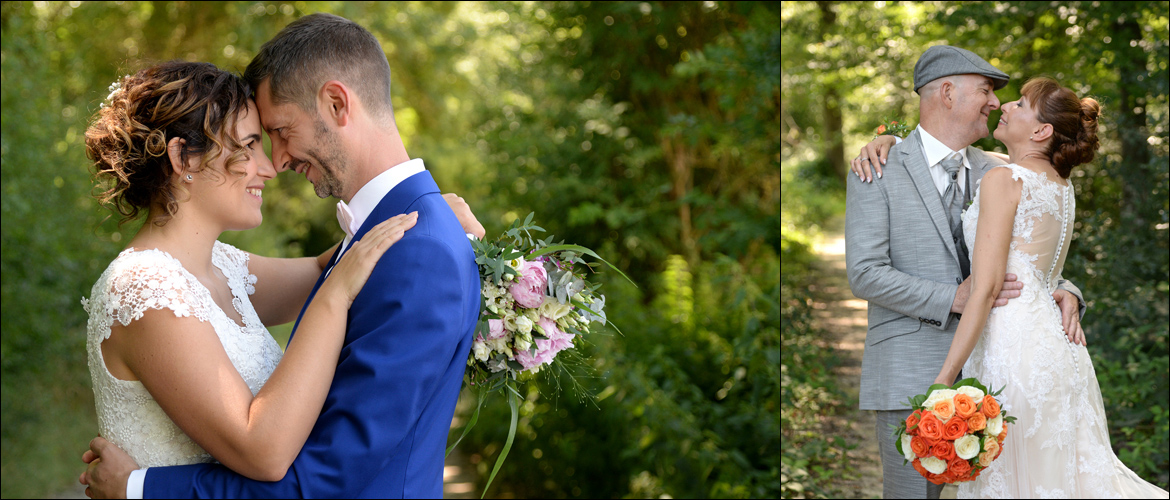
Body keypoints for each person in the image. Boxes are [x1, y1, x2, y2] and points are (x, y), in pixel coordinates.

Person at [79, 13, 486, 499]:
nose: (271, 165)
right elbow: (266, 448)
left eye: (268, 137)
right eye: (250, 144)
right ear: (184, 159)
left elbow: (330, 266)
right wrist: (136, 489)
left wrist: (424, 214)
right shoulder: (144, 289)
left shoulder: (226, 268)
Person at [843, 45, 1089, 499]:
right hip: (911, 370)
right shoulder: (877, 167)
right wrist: (951, 298)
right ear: (948, 92)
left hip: (1002, 370)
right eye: (986, 90)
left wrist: (1067, 290)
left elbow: (1032, 249)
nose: (996, 102)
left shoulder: (1003, 169)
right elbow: (864, 273)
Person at [925, 77, 1167, 498]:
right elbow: (1042, 273)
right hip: (1057, 353)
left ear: (1041, 131)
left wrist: (944, 380)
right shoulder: (1061, 186)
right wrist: (893, 139)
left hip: (1012, 350)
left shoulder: (1004, 180)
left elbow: (985, 289)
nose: (1005, 107)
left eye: (1019, 104)